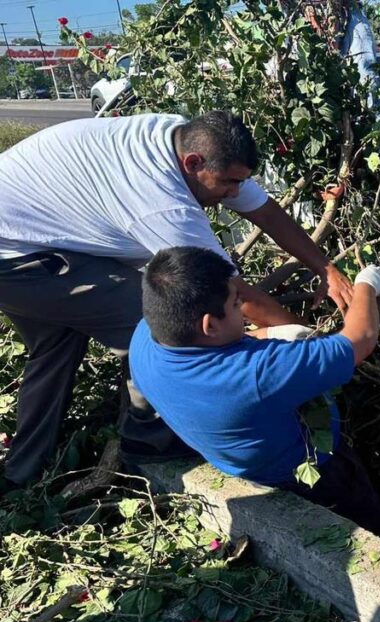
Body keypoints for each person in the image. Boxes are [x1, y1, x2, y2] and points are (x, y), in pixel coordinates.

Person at [0, 111, 352, 487]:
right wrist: (306, 350)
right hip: (16, 253)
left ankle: (23, 473)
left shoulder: (188, 137)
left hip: (26, 230)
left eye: (240, 182)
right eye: (228, 184)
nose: (233, 193)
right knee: (158, 320)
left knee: (56, 344)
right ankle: (148, 442)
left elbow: (265, 211)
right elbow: (231, 292)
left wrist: (325, 269)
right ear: (193, 164)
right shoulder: (163, 202)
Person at [130, 246, 380, 535]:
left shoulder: (144, 339)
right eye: (234, 305)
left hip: (246, 464)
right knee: (368, 523)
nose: (242, 305)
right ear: (210, 325)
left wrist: (268, 333)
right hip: (312, 475)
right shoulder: (257, 375)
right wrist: (366, 284)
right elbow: (361, 338)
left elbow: (211, 352)